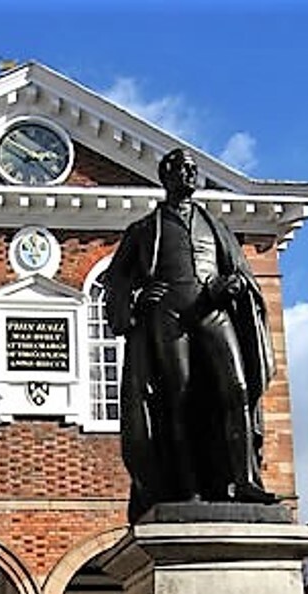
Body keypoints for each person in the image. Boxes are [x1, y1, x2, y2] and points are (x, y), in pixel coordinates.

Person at [104, 147, 277, 523]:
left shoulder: (216, 227)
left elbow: (243, 273)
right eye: (180, 168)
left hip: (212, 311)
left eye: (193, 169)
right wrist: (135, 299)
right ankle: (186, 486)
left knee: (238, 390)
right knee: (176, 400)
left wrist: (233, 285)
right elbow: (114, 280)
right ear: (166, 176)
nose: (188, 174)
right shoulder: (145, 230)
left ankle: (244, 480)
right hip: (169, 315)